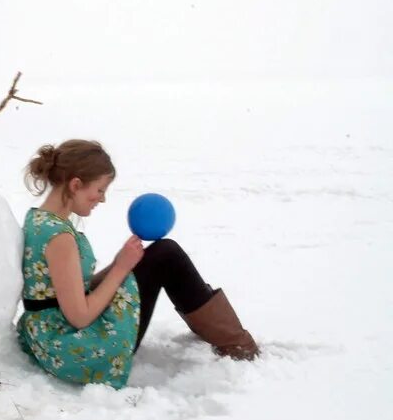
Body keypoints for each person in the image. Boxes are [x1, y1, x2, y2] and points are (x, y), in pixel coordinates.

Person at [16, 140, 259, 389]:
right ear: (76, 184)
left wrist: (119, 264)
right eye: (99, 190)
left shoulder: (41, 220)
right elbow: (80, 316)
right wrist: (122, 268)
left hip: (54, 337)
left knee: (159, 255)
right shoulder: (59, 237)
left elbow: (70, 290)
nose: (102, 199)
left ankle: (228, 338)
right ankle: (238, 345)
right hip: (76, 348)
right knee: (166, 254)